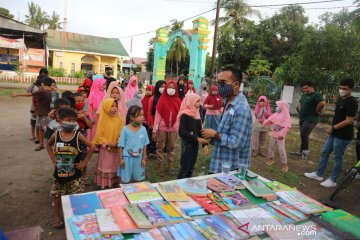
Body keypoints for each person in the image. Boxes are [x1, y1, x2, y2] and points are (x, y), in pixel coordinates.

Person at [46, 107, 95, 229]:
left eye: (74, 120)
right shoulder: (56, 135)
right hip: (59, 174)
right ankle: (57, 217)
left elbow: (92, 146)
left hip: (75, 176)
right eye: (69, 120)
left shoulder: (78, 135)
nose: (72, 123)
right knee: (57, 195)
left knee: (76, 196)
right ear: (61, 120)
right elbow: (48, 145)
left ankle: (76, 218)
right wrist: (53, 159)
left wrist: (85, 161)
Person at [305, 78, 358, 187]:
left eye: (345, 88)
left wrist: (333, 127)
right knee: (324, 152)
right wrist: (332, 127)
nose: (342, 90)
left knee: (337, 157)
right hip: (334, 132)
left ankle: (333, 180)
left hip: (343, 135)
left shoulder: (352, 102)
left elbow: (349, 120)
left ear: (351, 89)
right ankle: (319, 174)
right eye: (340, 88)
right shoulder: (340, 99)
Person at [202, 66, 252, 174]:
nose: (219, 86)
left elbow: (236, 142)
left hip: (232, 170)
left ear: (236, 85)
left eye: (223, 82)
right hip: (220, 165)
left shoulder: (241, 108)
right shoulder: (228, 103)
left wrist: (215, 134)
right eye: (218, 82)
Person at [93, 98, 124, 189]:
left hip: (117, 147)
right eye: (112, 106)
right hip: (106, 148)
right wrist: (107, 143)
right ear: (106, 107)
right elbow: (99, 135)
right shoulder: (103, 120)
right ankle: (105, 184)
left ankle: (115, 182)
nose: (114, 108)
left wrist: (118, 141)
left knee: (115, 165)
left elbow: (122, 132)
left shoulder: (119, 119)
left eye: (116, 106)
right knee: (106, 165)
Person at [152, 80, 181, 176]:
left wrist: (178, 128)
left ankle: (171, 166)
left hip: (173, 129)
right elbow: (157, 117)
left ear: (176, 89)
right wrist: (154, 130)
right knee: (160, 148)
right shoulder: (162, 99)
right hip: (162, 128)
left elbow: (179, 116)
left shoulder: (178, 100)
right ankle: (160, 167)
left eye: (173, 88)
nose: (171, 89)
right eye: (169, 87)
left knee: (171, 148)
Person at [177, 94, 209, 179]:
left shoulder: (197, 113)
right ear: (191, 101)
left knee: (191, 167)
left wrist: (205, 144)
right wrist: (197, 138)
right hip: (187, 145)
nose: (200, 103)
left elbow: (200, 130)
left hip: (195, 145)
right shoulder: (184, 115)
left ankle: (187, 186)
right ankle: (180, 186)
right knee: (185, 167)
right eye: (197, 101)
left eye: (199, 101)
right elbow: (182, 132)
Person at [118, 105, 149, 183]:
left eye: (143, 115)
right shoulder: (125, 129)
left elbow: (145, 145)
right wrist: (121, 159)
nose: (143, 117)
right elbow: (120, 145)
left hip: (139, 159)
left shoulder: (143, 129)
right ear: (132, 117)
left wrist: (144, 158)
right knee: (125, 181)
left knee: (138, 180)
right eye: (140, 115)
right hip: (126, 158)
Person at [295, 81, 325, 159]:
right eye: (303, 88)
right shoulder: (304, 95)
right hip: (303, 118)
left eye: (306, 88)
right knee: (303, 134)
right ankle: (301, 152)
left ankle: (305, 152)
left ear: (311, 87)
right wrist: (299, 109)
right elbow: (300, 103)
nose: (304, 89)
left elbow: (322, 103)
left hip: (311, 118)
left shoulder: (316, 95)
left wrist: (317, 111)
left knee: (304, 133)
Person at [263, 101, 291, 172]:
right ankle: (271, 159)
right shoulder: (277, 113)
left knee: (281, 149)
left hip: (280, 135)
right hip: (273, 133)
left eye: (278, 106)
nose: (277, 107)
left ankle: (284, 164)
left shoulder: (286, 115)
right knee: (271, 146)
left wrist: (282, 135)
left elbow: (287, 126)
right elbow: (270, 119)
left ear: (282, 107)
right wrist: (265, 123)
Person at [73, 93, 93, 184]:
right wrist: (76, 116)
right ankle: (73, 175)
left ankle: (84, 175)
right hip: (73, 139)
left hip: (83, 139)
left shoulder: (85, 113)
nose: (81, 103)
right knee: (74, 156)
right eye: (78, 101)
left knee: (83, 156)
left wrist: (84, 117)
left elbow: (90, 126)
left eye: (82, 101)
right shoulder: (71, 113)